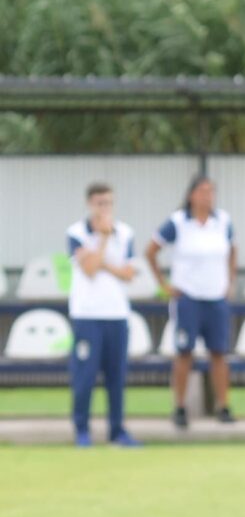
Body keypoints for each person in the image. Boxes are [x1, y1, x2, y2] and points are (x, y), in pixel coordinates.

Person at [146, 173, 238, 428]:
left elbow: (232, 250)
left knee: (219, 353)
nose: (207, 196)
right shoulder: (178, 222)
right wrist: (164, 285)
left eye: (211, 191)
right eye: (202, 191)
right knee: (184, 352)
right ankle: (180, 406)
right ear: (191, 195)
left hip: (215, 298)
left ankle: (224, 405)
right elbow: (151, 250)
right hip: (188, 298)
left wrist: (229, 281)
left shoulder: (223, 221)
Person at [65, 181, 141, 447]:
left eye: (108, 202)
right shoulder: (76, 233)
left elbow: (129, 274)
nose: (104, 208)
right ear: (90, 204)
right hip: (87, 315)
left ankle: (117, 431)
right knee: (85, 376)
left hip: (116, 315)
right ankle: (82, 430)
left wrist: (101, 261)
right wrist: (104, 240)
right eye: (99, 203)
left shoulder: (126, 233)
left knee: (116, 377)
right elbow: (88, 270)